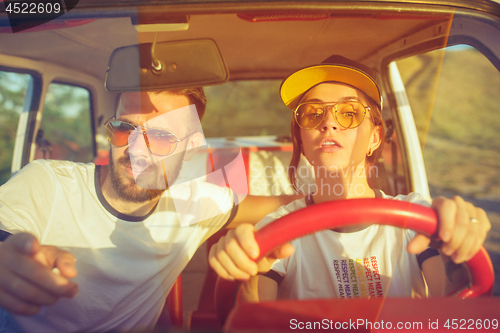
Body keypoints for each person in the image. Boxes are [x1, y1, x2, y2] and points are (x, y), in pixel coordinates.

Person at [0, 88, 301, 332]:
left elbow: (292, 207)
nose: (135, 149)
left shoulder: (195, 204)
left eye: (160, 137)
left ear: (191, 148)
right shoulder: (47, 182)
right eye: (123, 129)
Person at [208, 55, 491, 301]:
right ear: (301, 140)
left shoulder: (414, 216)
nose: (328, 122)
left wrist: (459, 242)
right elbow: (253, 322)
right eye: (312, 113)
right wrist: (247, 274)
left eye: (349, 113)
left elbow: (454, 305)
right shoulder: (276, 230)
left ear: (375, 137)